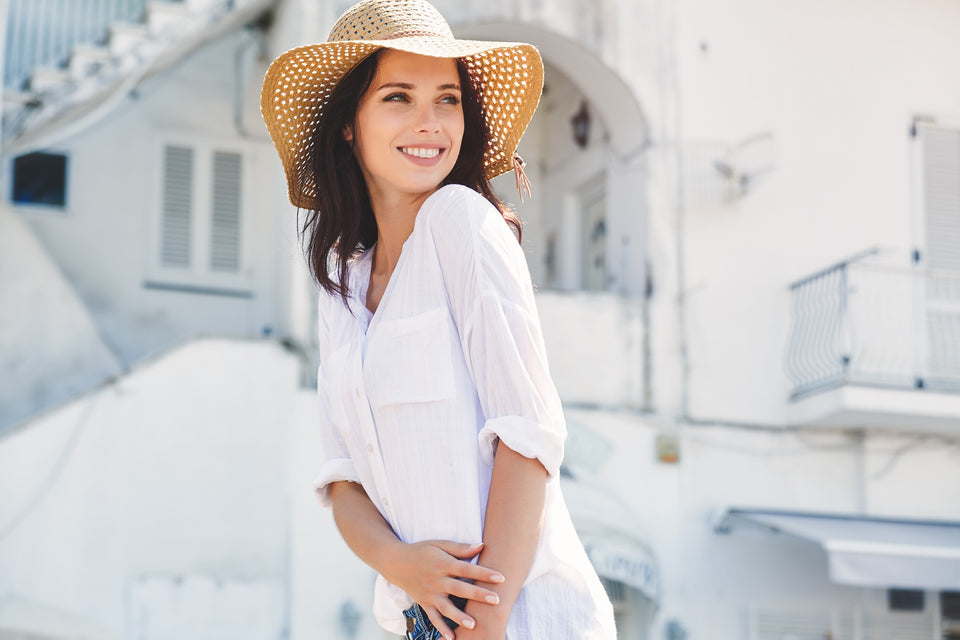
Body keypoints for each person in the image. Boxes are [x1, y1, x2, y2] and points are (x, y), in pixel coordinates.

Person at [261, 1, 617, 638]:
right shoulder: (341, 279)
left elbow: (527, 437)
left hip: (522, 619)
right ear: (348, 122)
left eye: (447, 99)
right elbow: (343, 480)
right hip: (414, 622)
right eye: (398, 96)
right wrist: (402, 564)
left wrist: (485, 622)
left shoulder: (461, 220)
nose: (430, 123)